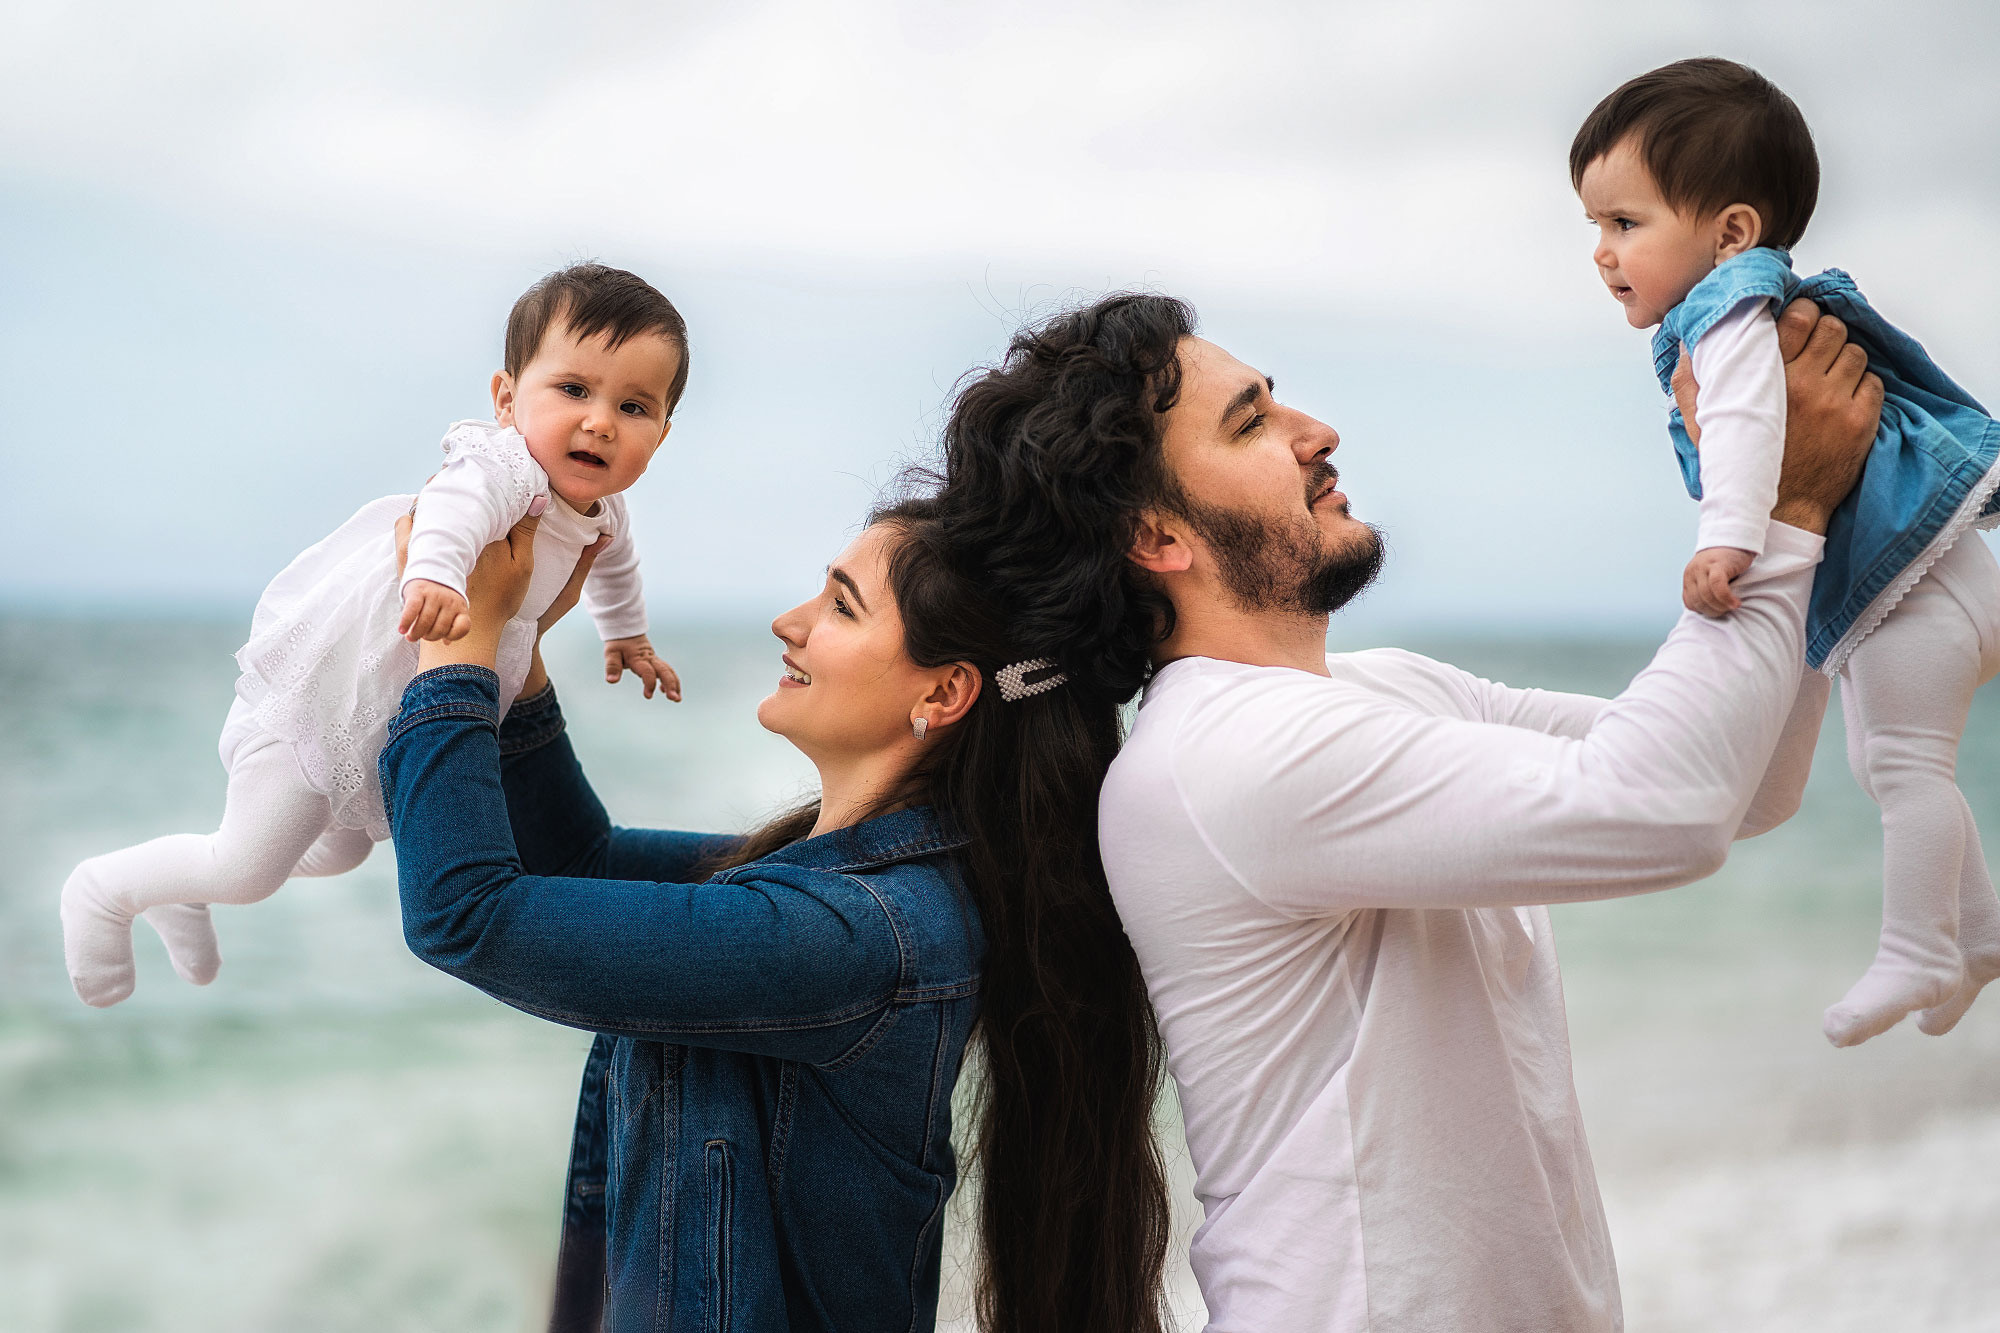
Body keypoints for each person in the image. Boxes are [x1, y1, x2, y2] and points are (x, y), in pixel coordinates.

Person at [928, 290, 1880, 1332]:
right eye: (1250, 423)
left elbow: (1745, 781)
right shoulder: (1227, 755)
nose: (1316, 432)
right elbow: (1669, 808)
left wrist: (1804, 508)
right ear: (1155, 535)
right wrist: (1776, 506)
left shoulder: (1379, 691)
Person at [377, 492, 1173, 1330]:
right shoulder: (848, 887)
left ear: (944, 692)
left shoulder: (857, 933)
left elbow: (462, 911)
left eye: (841, 606)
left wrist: (455, 647)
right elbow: (578, 862)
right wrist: (516, 636)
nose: (788, 622)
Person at [58, 262, 687, 1008]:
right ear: (507, 399)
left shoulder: (606, 510)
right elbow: (451, 511)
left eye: (634, 406)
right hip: (334, 695)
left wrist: (627, 636)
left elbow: (615, 568)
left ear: (662, 434)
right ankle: (104, 889)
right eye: (574, 390)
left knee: (338, 851)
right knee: (248, 868)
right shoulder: (504, 470)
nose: (602, 421)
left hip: (394, 709)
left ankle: (184, 882)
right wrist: (436, 577)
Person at [1574, 56, 2000, 1047]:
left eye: (1624, 222)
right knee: (1901, 762)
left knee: (1899, 765)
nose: (1601, 252)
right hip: (1943, 579)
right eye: (1593, 225)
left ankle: (1917, 947)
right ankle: (1977, 933)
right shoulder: (1753, 306)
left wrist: (1726, 541)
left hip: (1919, 592)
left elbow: (1747, 428)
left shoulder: (1727, 316)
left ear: (1730, 233)